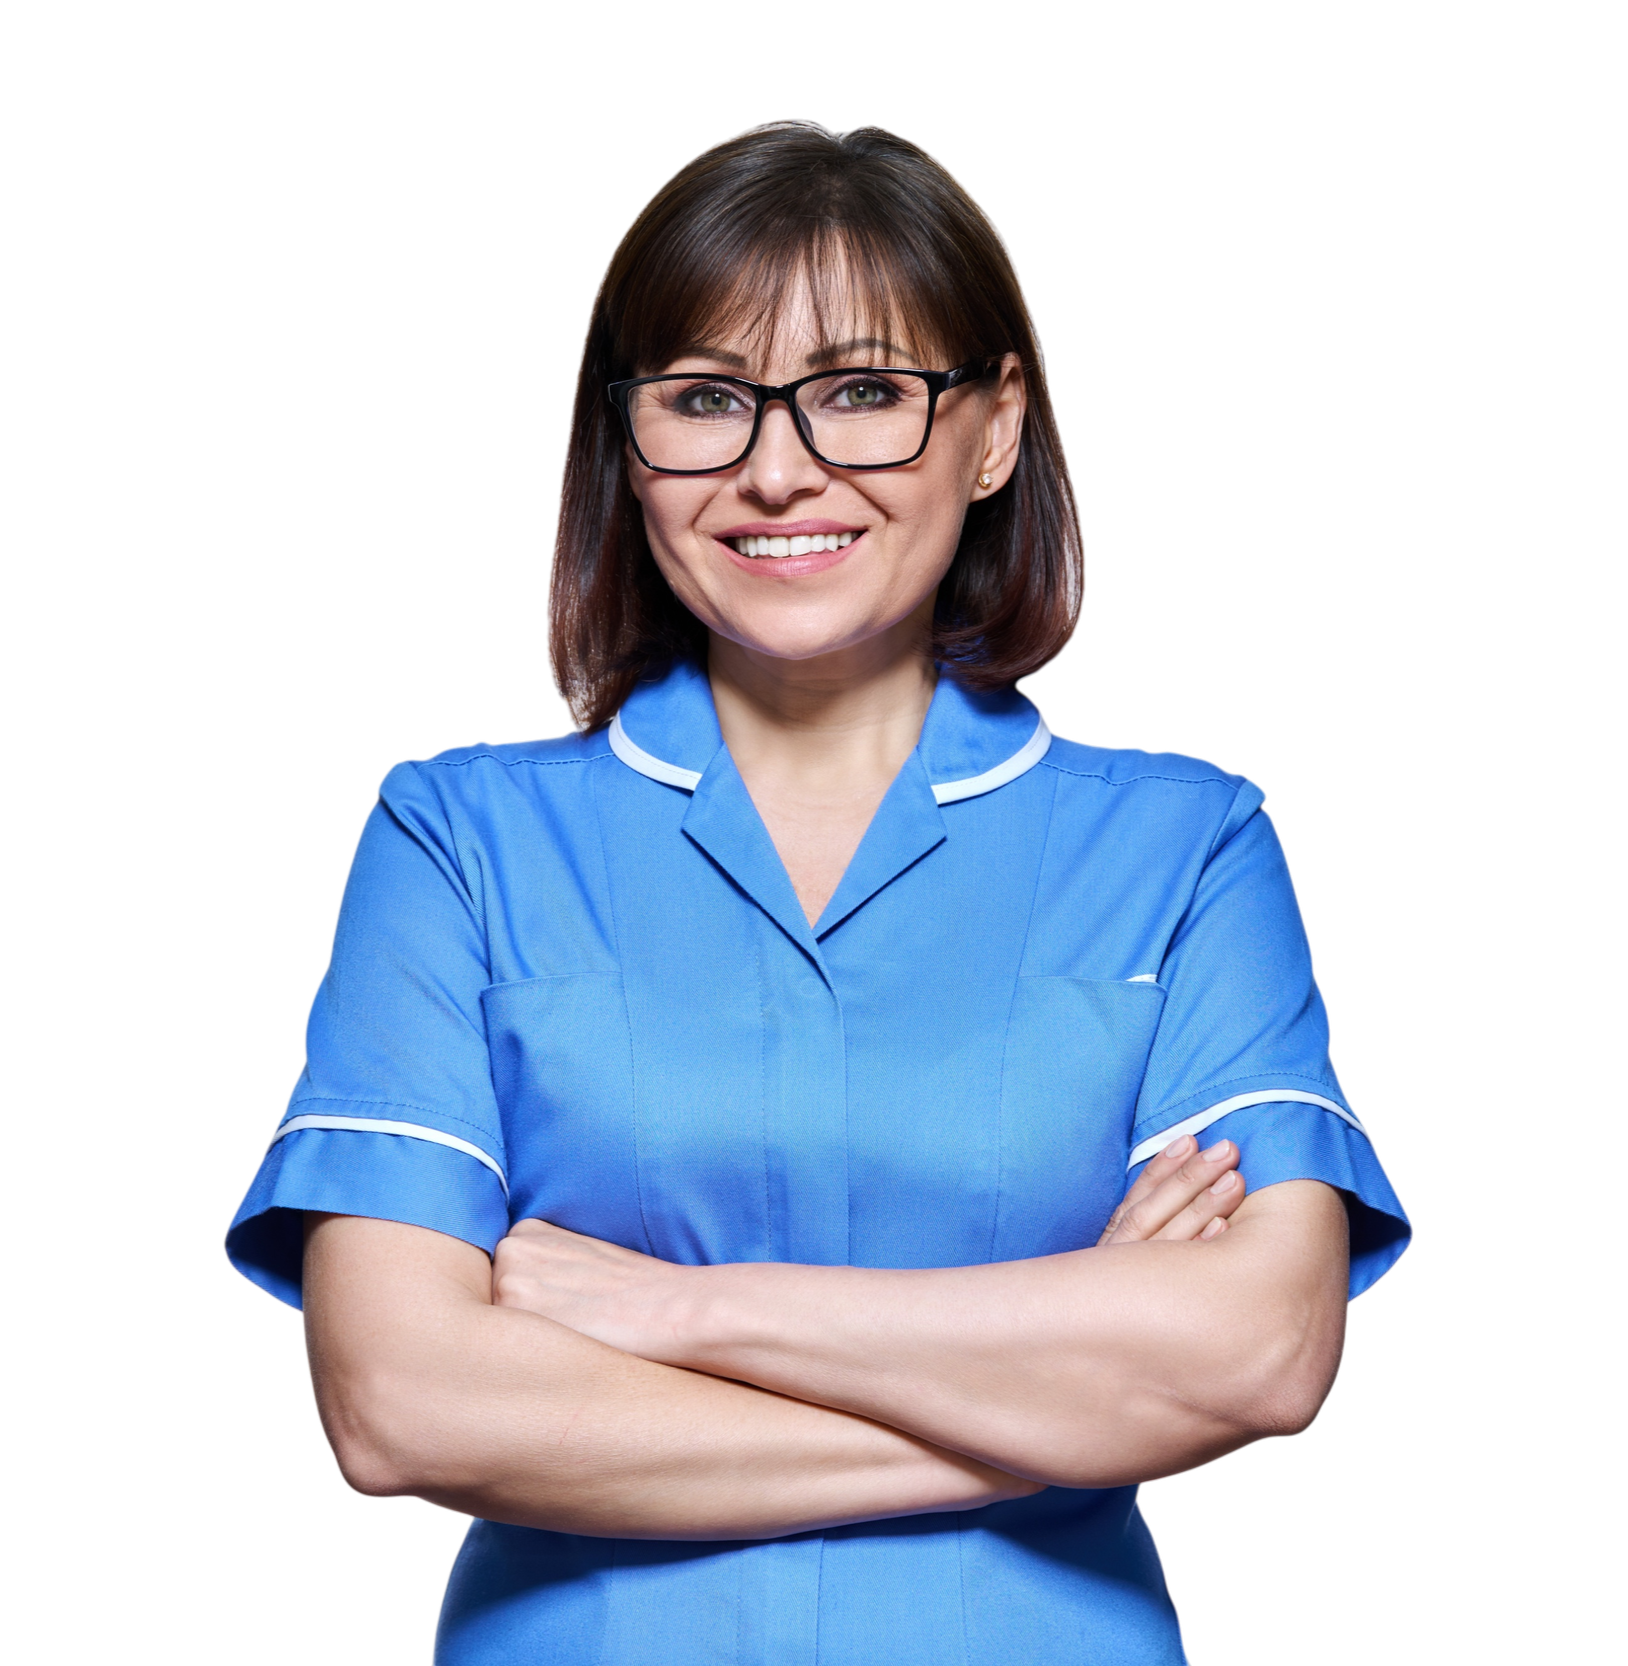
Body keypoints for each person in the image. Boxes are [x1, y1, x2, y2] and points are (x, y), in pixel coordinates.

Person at [227, 121, 1413, 1664]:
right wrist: (1064, 1384)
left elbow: (1262, 1354)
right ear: (630, 447)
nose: (777, 466)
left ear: (993, 430)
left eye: (864, 392)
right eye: (706, 400)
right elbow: (400, 1403)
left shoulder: (1187, 845)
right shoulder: (455, 835)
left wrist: (676, 1311)